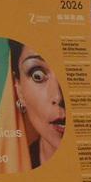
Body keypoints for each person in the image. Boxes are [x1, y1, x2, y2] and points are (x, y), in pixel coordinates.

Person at [9, 40, 66, 169]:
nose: (58, 97)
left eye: (70, 74)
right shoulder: (12, 170)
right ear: (19, 91)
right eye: (38, 75)